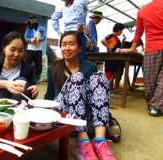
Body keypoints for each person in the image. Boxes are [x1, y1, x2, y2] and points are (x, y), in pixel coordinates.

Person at [45, 31, 116, 160]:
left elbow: (96, 96)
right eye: (64, 44)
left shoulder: (90, 66)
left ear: (80, 48)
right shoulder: (53, 68)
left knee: (99, 77)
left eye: (71, 44)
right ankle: (81, 144)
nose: (67, 48)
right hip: (64, 120)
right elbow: (49, 95)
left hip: (86, 121)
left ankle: (99, 141)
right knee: (77, 77)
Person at [121, 0, 163, 117]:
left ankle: (152, 103)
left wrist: (131, 48)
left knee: (150, 79)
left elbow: (138, 32)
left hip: (151, 49)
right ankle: (156, 106)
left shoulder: (142, 10)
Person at [0, 31, 39, 106]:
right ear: (4, 48)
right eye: (12, 50)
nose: (16, 54)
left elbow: (29, 93)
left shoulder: (28, 68)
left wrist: (34, 91)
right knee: (2, 80)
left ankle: (16, 115)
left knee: (22, 81)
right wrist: (5, 84)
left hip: (17, 107)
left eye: (20, 50)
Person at [101, 23, 125, 89]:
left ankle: (113, 86)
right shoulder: (111, 36)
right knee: (109, 71)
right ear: (118, 30)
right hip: (110, 57)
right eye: (121, 30)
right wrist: (108, 48)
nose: (121, 32)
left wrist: (123, 41)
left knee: (116, 71)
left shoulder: (117, 39)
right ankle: (107, 86)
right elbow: (103, 40)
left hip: (116, 58)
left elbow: (120, 48)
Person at [24, 16, 46, 83]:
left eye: (32, 23)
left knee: (38, 65)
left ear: (35, 23)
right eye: (29, 24)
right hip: (30, 49)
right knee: (28, 64)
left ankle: (36, 78)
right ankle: (28, 77)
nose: (30, 25)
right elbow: (25, 38)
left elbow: (44, 37)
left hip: (38, 50)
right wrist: (31, 40)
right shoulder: (28, 30)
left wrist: (38, 40)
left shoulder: (41, 29)